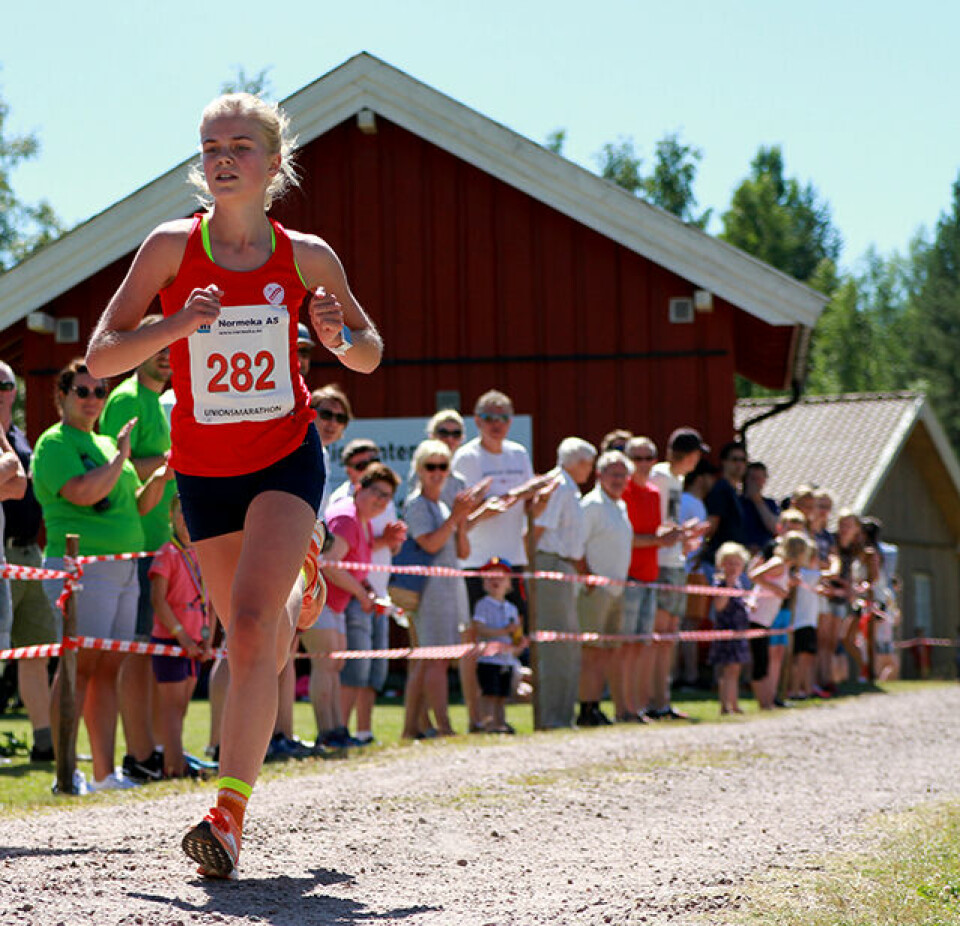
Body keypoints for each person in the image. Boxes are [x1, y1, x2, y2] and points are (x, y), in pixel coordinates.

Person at [85, 91, 382, 877]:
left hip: (285, 456)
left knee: (249, 626)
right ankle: (301, 588)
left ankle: (228, 816)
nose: (223, 159)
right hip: (205, 469)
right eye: (211, 147)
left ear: (274, 163)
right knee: (257, 638)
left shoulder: (308, 257)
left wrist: (337, 337)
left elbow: (369, 350)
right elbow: (102, 355)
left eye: (240, 146)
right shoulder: (170, 248)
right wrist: (178, 324)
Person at [33, 360, 172, 791]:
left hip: (123, 566)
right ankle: (65, 774)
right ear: (62, 396)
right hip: (83, 567)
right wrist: (122, 457)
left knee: (109, 670)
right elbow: (82, 493)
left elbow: (137, 504)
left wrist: (163, 473)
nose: (92, 399)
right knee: (77, 668)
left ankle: (104, 774)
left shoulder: (107, 444)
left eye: (99, 391)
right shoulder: (54, 443)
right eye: (82, 391)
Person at [99, 316, 176, 783]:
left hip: (160, 541)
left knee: (150, 653)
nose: (166, 355)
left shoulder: (160, 400)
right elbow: (115, 467)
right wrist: (171, 460)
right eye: (157, 346)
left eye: (171, 345)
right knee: (135, 655)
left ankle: (152, 751)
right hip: (135, 542)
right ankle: (138, 755)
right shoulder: (126, 399)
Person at [452, 390, 550, 731]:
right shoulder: (467, 457)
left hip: (513, 560)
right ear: (477, 421)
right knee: (476, 641)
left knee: (513, 639)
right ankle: (476, 717)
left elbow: (530, 507)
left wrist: (541, 499)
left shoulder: (519, 453)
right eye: (490, 417)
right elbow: (461, 515)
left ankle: (499, 716)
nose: (497, 424)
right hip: (476, 561)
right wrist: (485, 510)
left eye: (503, 417)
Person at [400, 439, 478, 738]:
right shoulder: (417, 504)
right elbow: (430, 543)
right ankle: (442, 725)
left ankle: (413, 727)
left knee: (431, 660)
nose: (437, 473)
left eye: (442, 466)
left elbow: (463, 551)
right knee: (436, 659)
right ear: (419, 470)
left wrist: (461, 520)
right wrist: (456, 517)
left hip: (447, 587)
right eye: (430, 466)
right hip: (429, 591)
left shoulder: (443, 505)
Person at [0, 361, 56, 762]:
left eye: (5, 385)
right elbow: (16, 482)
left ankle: (44, 743)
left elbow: (19, 485)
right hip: (2, 553)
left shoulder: (17, 436)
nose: (1, 392)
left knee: (37, 650)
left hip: (28, 552)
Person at [323, 463, 401, 746]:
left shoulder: (362, 520)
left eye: (386, 496)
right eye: (376, 492)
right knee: (339, 671)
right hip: (326, 603)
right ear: (358, 488)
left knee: (342, 669)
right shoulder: (347, 517)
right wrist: (361, 594)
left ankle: (339, 731)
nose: (380, 500)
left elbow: (351, 565)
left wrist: (365, 589)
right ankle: (334, 731)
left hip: (339, 604)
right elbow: (329, 564)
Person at [149, 495, 215, 778]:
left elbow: (211, 602)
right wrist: (181, 636)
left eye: (192, 513)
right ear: (172, 518)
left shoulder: (204, 554)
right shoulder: (168, 553)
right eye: (181, 514)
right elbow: (158, 600)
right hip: (171, 643)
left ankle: (176, 761)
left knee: (182, 708)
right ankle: (174, 767)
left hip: (196, 645)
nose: (187, 520)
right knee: (172, 709)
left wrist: (208, 639)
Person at [533, 437, 595, 730]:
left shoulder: (568, 487)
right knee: (557, 646)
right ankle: (553, 717)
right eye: (589, 464)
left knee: (568, 646)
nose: (590, 470)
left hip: (565, 567)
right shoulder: (557, 486)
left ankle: (563, 715)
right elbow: (538, 529)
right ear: (578, 462)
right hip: (552, 565)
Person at [649, 428, 708, 719]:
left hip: (674, 561)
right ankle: (653, 700)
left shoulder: (675, 479)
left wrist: (685, 535)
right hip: (661, 562)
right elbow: (654, 524)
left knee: (670, 633)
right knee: (660, 633)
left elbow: (667, 524)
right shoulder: (660, 476)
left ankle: (663, 699)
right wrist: (681, 534)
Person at [621, 437, 680, 722]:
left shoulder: (655, 493)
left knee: (643, 645)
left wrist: (677, 536)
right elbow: (626, 538)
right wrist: (659, 540)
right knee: (626, 646)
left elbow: (654, 535)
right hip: (628, 575)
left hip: (650, 575)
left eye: (648, 458)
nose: (643, 464)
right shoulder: (623, 491)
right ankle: (626, 706)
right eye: (637, 458)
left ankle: (640, 706)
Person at [577, 451, 634, 724]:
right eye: (613, 474)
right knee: (592, 652)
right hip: (596, 590)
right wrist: (588, 579)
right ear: (599, 475)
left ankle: (599, 705)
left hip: (617, 590)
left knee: (610, 652)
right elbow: (576, 546)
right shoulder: (591, 505)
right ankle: (586, 708)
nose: (618, 480)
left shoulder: (620, 507)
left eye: (623, 475)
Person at [747, 531, 812, 710]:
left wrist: (788, 584)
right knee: (760, 662)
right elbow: (753, 575)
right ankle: (764, 704)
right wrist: (776, 589)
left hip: (765, 619)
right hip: (757, 617)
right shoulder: (778, 562)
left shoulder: (785, 566)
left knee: (764, 661)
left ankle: (767, 702)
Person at [471, 558, 523, 734]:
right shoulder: (482, 605)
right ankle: (488, 723)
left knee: (502, 695)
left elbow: (516, 634)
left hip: (506, 660)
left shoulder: (512, 608)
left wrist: (518, 642)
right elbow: (479, 628)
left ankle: (501, 722)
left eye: (500, 578)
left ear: (509, 583)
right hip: (488, 660)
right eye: (490, 577)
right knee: (489, 694)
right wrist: (504, 630)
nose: (495, 581)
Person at [706, 542, 751, 715]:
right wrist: (729, 587)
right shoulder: (720, 584)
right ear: (721, 564)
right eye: (729, 563)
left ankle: (734, 703)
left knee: (735, 670)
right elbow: (719, 606)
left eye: (737, 563)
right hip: (726, 632)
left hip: (739, 633)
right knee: (726, 670)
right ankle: (725, 705)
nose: (733, 567)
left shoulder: (740, 585)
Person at [701, 442, 748, 572]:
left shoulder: (736, 492)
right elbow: (711, 525)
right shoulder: (721, 490)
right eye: (734, 459)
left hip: (733, 563)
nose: (739, 464)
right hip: (719, 563)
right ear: (724, 462)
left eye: (743, 460)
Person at [740, 462, 780, 555]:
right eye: (752, 478)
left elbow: (775, 528)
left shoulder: (771, 504)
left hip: (765, 552)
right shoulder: (738, 502)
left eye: (759, 479)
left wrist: (758, 501)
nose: (755, 482)